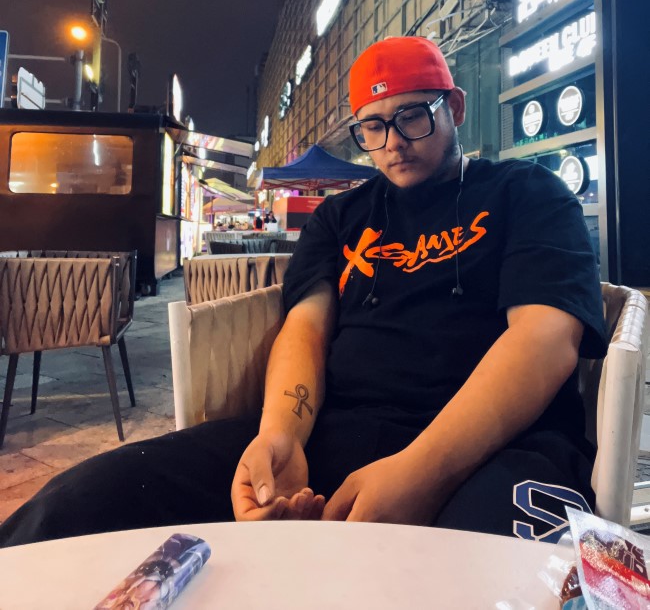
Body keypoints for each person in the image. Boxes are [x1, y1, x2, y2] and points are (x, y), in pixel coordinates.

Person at [0, 36, 606, 547]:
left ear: (456, 107)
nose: (393, 142)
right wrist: (281, 435)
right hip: (338, 433)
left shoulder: (528, 193)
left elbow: (546, 339)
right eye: (373, 126)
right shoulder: (340, 218)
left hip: (499, 447)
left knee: (499, 581)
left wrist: (423, 472)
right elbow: (306, 328)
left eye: (412, 116)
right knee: (73, 506)